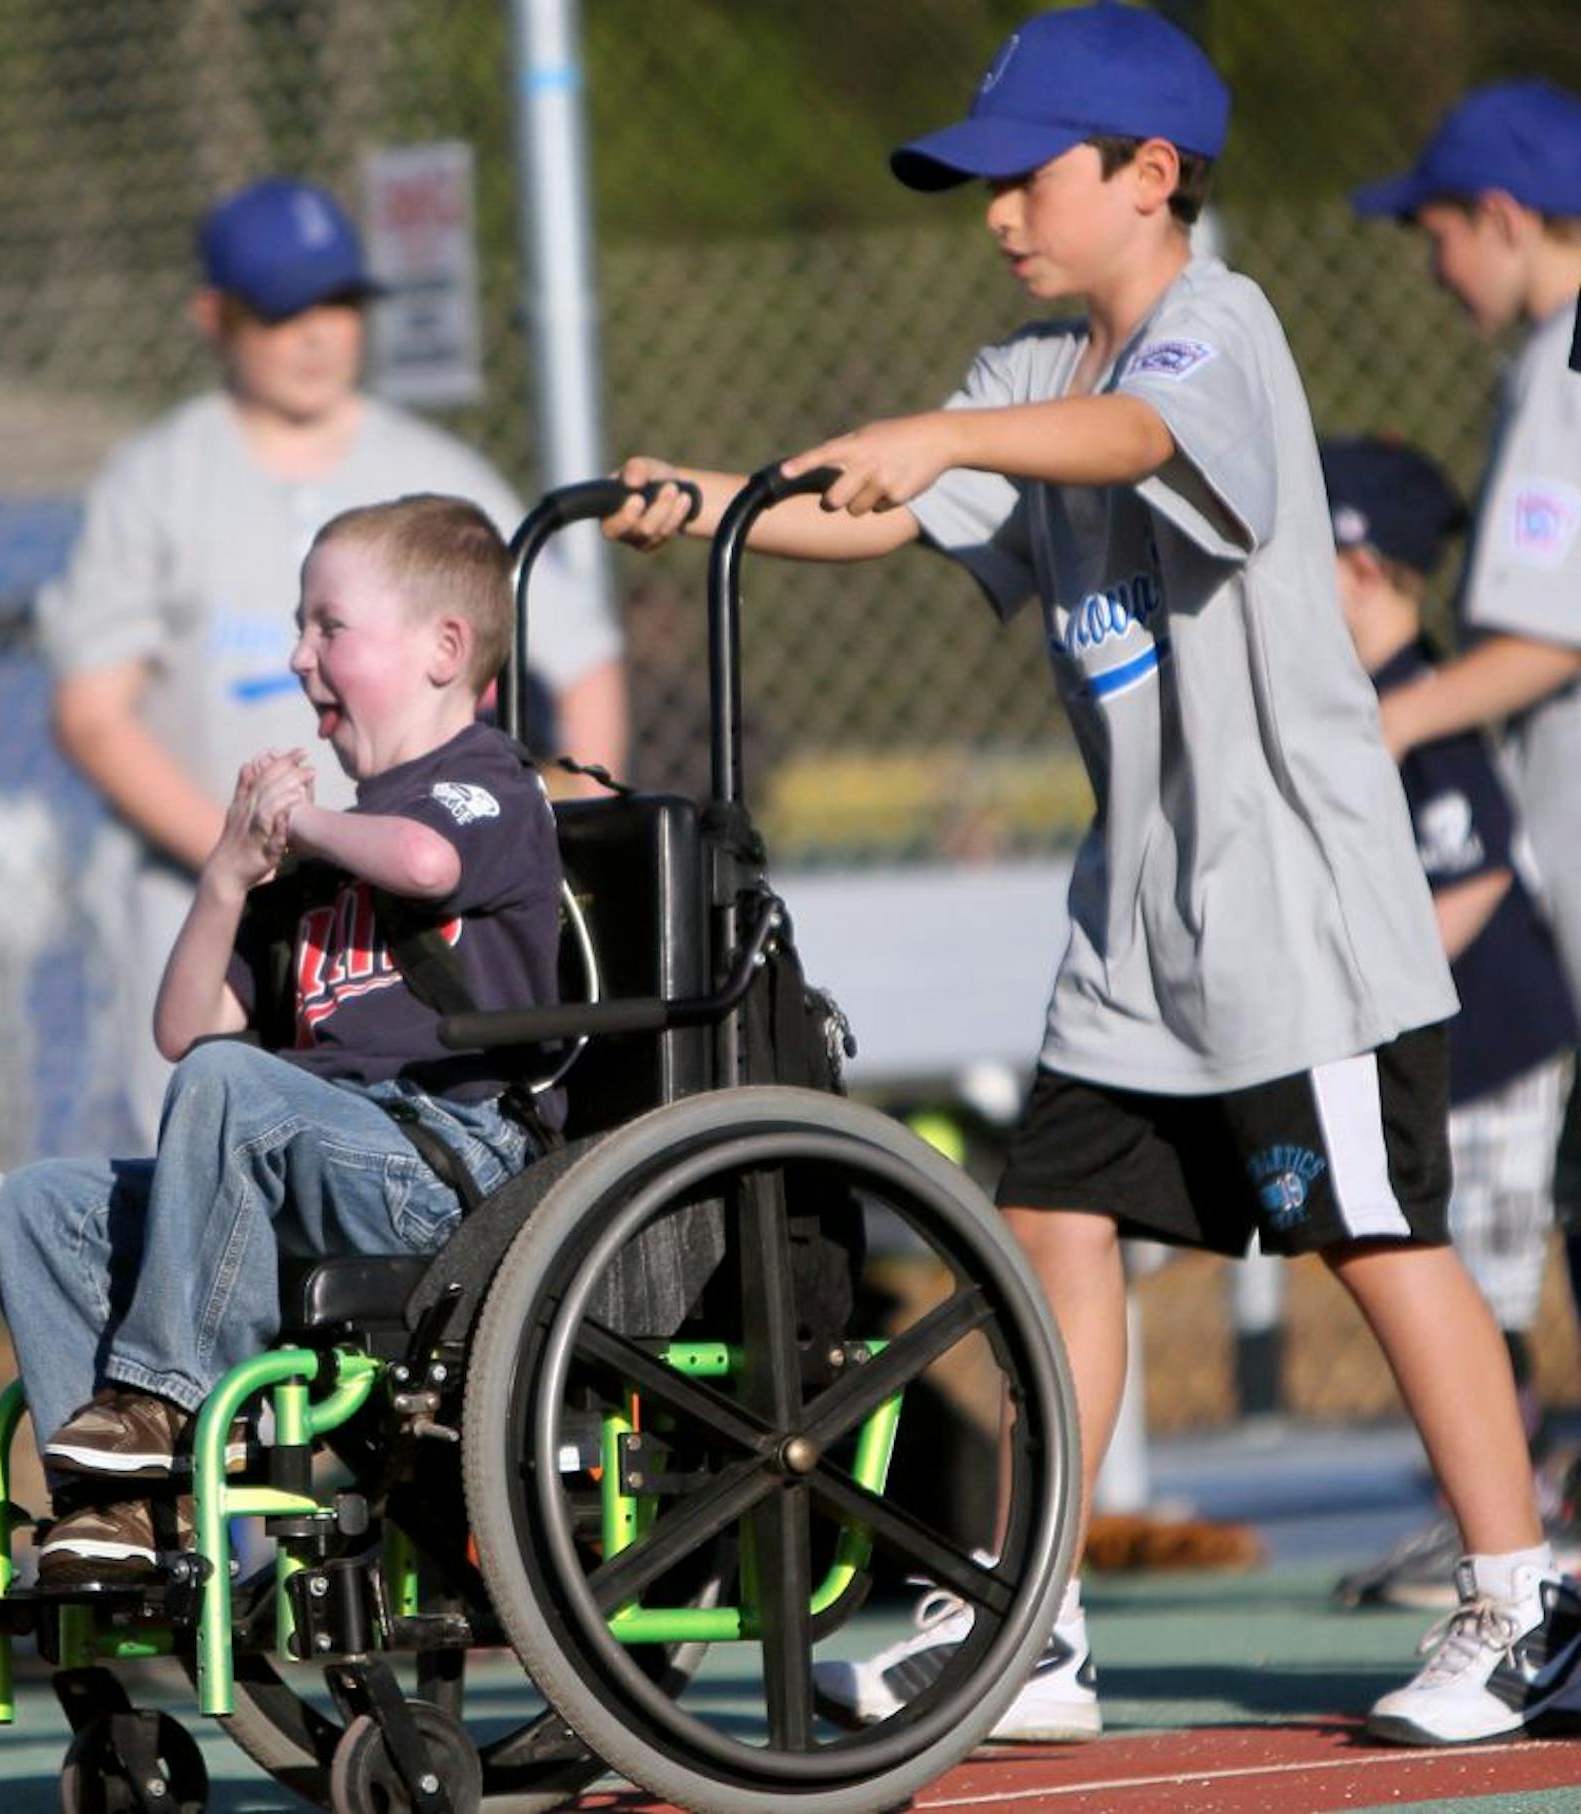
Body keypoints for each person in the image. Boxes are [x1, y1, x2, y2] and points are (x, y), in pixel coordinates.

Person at [602, 2, 1577, 1751]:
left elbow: (1132, 445)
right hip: (1136, 928)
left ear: (1147, 177)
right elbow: (891, 499)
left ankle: (1520, 1590)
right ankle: (1029, 1617)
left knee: (1371, 1231)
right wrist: (719, 497)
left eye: (1023, 176)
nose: (994, 213)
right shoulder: (1014, 380)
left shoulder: (1220, 333)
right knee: (1053, 1220)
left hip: (1299, 920)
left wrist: (949, 440)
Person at [0, 495, 563, 1585]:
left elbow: (429, 866)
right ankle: (118, 1513)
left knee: (233, 1085)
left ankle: (167, 1405)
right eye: (301, 629)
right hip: (295, 1158)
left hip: (446, 1164)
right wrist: (228, 873)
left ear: (444, 647)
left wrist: (300, 826)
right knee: (37, 1204)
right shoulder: (309, 862)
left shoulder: (487, 783)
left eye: (328, 626)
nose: (301, 658)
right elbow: (182, 1026)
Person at [38, 176, 624, 1149]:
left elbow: (587, 662)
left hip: (403, 917)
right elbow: (93, 713)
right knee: (197, 1142)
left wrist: (550, 841)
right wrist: (249, 857)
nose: (316, 334)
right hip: (204, 892)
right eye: (281, 310)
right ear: (214, 317)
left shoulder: (434, 472)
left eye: (339, 304)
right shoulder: (160, 480)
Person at [1353, 81, 1581, 1455]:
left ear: (1502, 217)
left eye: (1438, 232)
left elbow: (1549, 636)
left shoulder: (1564, 364)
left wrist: (1385, 723)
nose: (1434, 267)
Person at [1317, 435, 1580, 1612]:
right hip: (1446, 1056)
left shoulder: (1415, 706)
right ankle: (1479, 1516)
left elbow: (1474, 873)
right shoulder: (1361, 702)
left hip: (1502, 1050)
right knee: (1465, 1273)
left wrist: (1372, 968)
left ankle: (1518, 1521)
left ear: (1365, 564)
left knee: (1493, 1290)